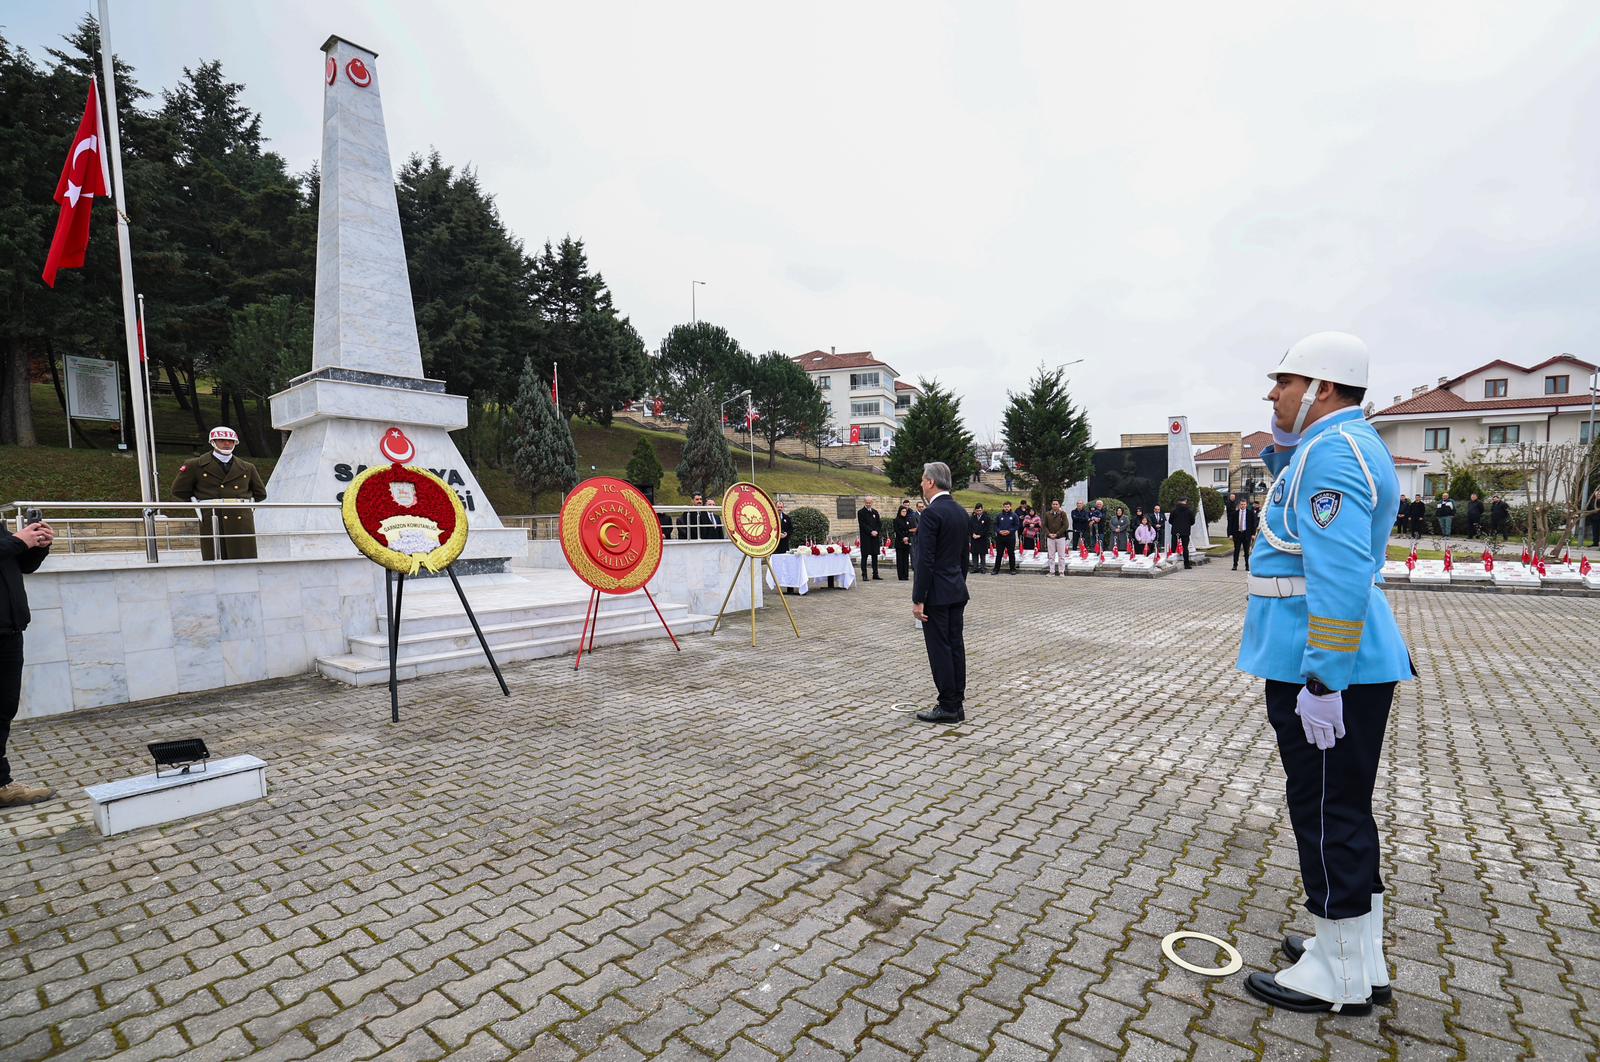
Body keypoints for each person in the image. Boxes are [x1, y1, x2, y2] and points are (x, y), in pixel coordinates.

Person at [1240, 331, 1414, 1016]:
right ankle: (1356, 952)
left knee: (1324, 811)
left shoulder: (1334, 453)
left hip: (1323, 670)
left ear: (1322, 387)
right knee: (1342, 807)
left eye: (1283, 383)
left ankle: (1336, 975)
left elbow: (1339, 579)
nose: (1273, 395)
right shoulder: (1334, 447)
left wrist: (1321, 684)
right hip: (1334, 665)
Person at [1, 513, 56, 806]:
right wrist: (15, 541)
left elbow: (18, 566)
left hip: (10, 629)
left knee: (4, 708)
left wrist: (36, 546)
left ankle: (1, 784)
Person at [911, 462, 970, 724]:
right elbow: (963, 557)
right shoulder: (959, 511)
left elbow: (925, 560)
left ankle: (947, 705)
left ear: (932, 482)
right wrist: (958, 582)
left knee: (940, 649)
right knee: (955, 645)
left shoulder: (932, 514)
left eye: (923, 480)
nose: (922, 484)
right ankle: (956, 702)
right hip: (956, 590)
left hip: (936, 594)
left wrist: (918, 599)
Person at [172, 427, 268, 560]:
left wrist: (244, 504)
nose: (227, 444)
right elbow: (179, 490)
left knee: (245, 560)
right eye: (222, 440)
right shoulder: (195, 465)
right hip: (212, 515)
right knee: (215, 558)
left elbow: (260, 493)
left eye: (231, 441)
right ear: (213, 442)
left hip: (240, 517)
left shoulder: (247, 467)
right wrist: (200, 503)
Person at [857, 497, 883, 580]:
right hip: (866, 537)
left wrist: (876, 531)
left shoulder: (875, 512)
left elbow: (879, 523)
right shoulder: (861, 512)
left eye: (870, 502)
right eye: (867, 502)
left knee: (874, 556)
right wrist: (871, 531)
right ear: (864, 502)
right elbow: (862, 524)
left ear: (872, 502)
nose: (868, 504)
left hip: (875, 537)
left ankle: (875, 574)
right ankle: (864, 574)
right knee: (864, 556)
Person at [1044, 499, 1070, 575]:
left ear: (1059, 505)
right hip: (1050, 537)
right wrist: (1049, 534)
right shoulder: (1047, 514)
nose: (1055, 505)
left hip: (1060, 537)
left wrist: (1057, 534)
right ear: (1051, 505)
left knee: (1061, 555)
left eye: (1056, 504)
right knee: (1051, 555)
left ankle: (1061, 571)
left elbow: (1066, 525)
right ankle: (1051, 571)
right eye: (1053, 504)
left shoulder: (1063, 514)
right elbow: (1044, 525)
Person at [992, 501, 1020, 573]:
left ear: (1010, 507)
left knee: (1011, 553)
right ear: (1003, 507)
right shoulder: (999, 515)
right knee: (999, 554)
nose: (1006, 508)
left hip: (1010, 537)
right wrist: (999, 531)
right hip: (1000, 538)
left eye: (1008, 507)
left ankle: (1012, 569)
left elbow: (1017, 525)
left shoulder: (1014, 515)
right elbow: (995, 525)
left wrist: (1009, 531)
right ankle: (996, 569)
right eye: (1005, 507)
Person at [1232, 498, 1258, 570]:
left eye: (1244, 504)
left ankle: (1247, 565)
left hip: (1246, 534)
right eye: (1241, 504)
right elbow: (1231, 524)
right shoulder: (1235, 513)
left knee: (1246, 551)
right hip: (1237, 534)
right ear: (1239, 505)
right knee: (1236, 550)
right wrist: (1230, 534)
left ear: (1246, 505)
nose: (1243, 506)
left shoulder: (1250, 513)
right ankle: (1235, 565)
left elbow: (1253, 524)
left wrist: (1253, 534)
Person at [1170, 498, 1195, 568]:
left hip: (1175, 531)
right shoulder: (1189, 511)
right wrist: (1186, 525)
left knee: (1173, 547)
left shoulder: (1174, 510)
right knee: (1185, 548)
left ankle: (1171, 562)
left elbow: (1170, 521)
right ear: (1185, 502)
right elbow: (1192, 521)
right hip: (1185, 532)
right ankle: (1186, 564)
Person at [967, 503, 991, 574]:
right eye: (977, 510)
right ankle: (975, 568)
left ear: (982, 510)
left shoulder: (986, 518)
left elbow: (987, 529)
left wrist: (980, 535)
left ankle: (983, 568)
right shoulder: (972, 518)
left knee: (982, 554)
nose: (978, 512)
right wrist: (972, 534)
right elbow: (969, 527)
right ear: (975, 510)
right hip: (974, 538)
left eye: (980, 510)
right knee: (974, 553)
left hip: (982, 538)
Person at [892, 503, 913, 581]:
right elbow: (897, 530)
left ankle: (906, 575)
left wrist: (907, 537)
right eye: (903, 511)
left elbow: (909, 529)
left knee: (906, 559)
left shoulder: (908, 520)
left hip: (906, 541)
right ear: (900, 512)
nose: (904, 513)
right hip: (900, 542)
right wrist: (903, 537)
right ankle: (901, 575)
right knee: (900, 559)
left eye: (905, 511)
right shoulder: (896, 520)